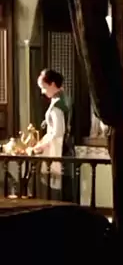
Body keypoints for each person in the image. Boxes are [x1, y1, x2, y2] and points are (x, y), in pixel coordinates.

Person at [32, 68, 72, 198]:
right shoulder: (63, 98)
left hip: (61, 149)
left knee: (59, 192)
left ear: (53, 84)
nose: (43, 91)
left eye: (44, 87)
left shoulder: (58, 104)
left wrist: (42, 146)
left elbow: (57, 132)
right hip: (67, 148)